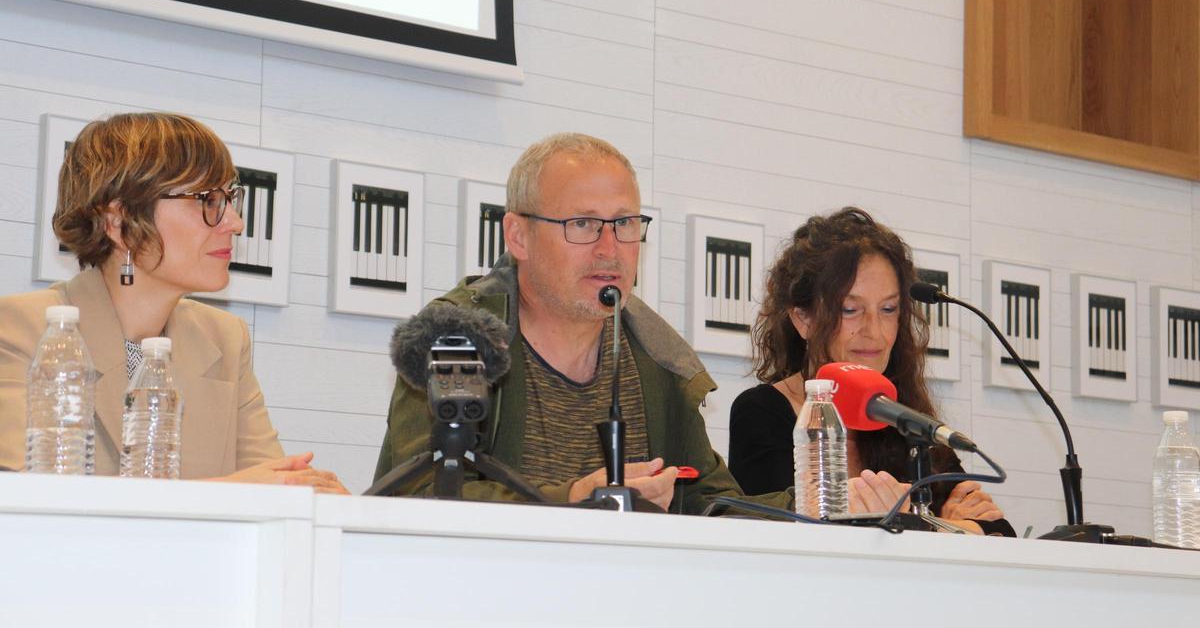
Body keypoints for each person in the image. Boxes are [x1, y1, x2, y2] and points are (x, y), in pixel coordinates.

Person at [374, 133, 786, 514]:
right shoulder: (458, 338)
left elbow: (712, 504)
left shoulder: (657, 358)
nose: (610, 249)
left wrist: (827, 504)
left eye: (624, 223)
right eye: (583, 224)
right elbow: (420, 492)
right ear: (518, 236)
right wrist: (574, 499)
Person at [0, 112, 347, 493]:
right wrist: (226, 493)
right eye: (207, 200)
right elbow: (26, 502)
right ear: (119, 222)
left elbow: (279, 484)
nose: (234, 221)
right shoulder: (20, 328)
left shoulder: (225, 339)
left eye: (229, 199)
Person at [728, 207, 1014, 535]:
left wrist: (915, 524)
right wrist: (938, 525)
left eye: (888, 309)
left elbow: (997, 530)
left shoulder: (903, 414)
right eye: (851, 310)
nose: (873, 331)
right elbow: (786, 530)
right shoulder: (761, 412)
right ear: (802, 319)